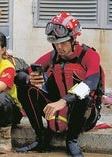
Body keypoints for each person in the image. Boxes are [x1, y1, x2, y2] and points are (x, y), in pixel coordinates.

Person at [15, 11, 103, 157]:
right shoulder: (53, 56)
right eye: (55, 44)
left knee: (83, 94)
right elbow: (20, 74)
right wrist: (28, 79)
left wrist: (63, 101)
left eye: (63, 43)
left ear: (74, 38)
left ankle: (71, 140)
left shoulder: (90, 55)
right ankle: (41, 138)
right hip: (58, 109)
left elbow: (91, 83)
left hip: (84, 112)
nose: (59, 48)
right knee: (25, 89)